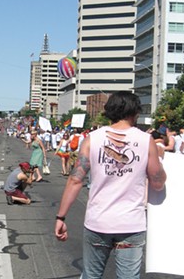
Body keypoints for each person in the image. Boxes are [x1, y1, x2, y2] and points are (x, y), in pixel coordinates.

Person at [55, 91, 166, 279]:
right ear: (135, 112)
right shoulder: (146, 141)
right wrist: (160, 165)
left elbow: (75, 179)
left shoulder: (91, 139)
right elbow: (157, 183)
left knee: (91, 276)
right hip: (130, 224)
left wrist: (61, 217)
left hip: (98, 221)